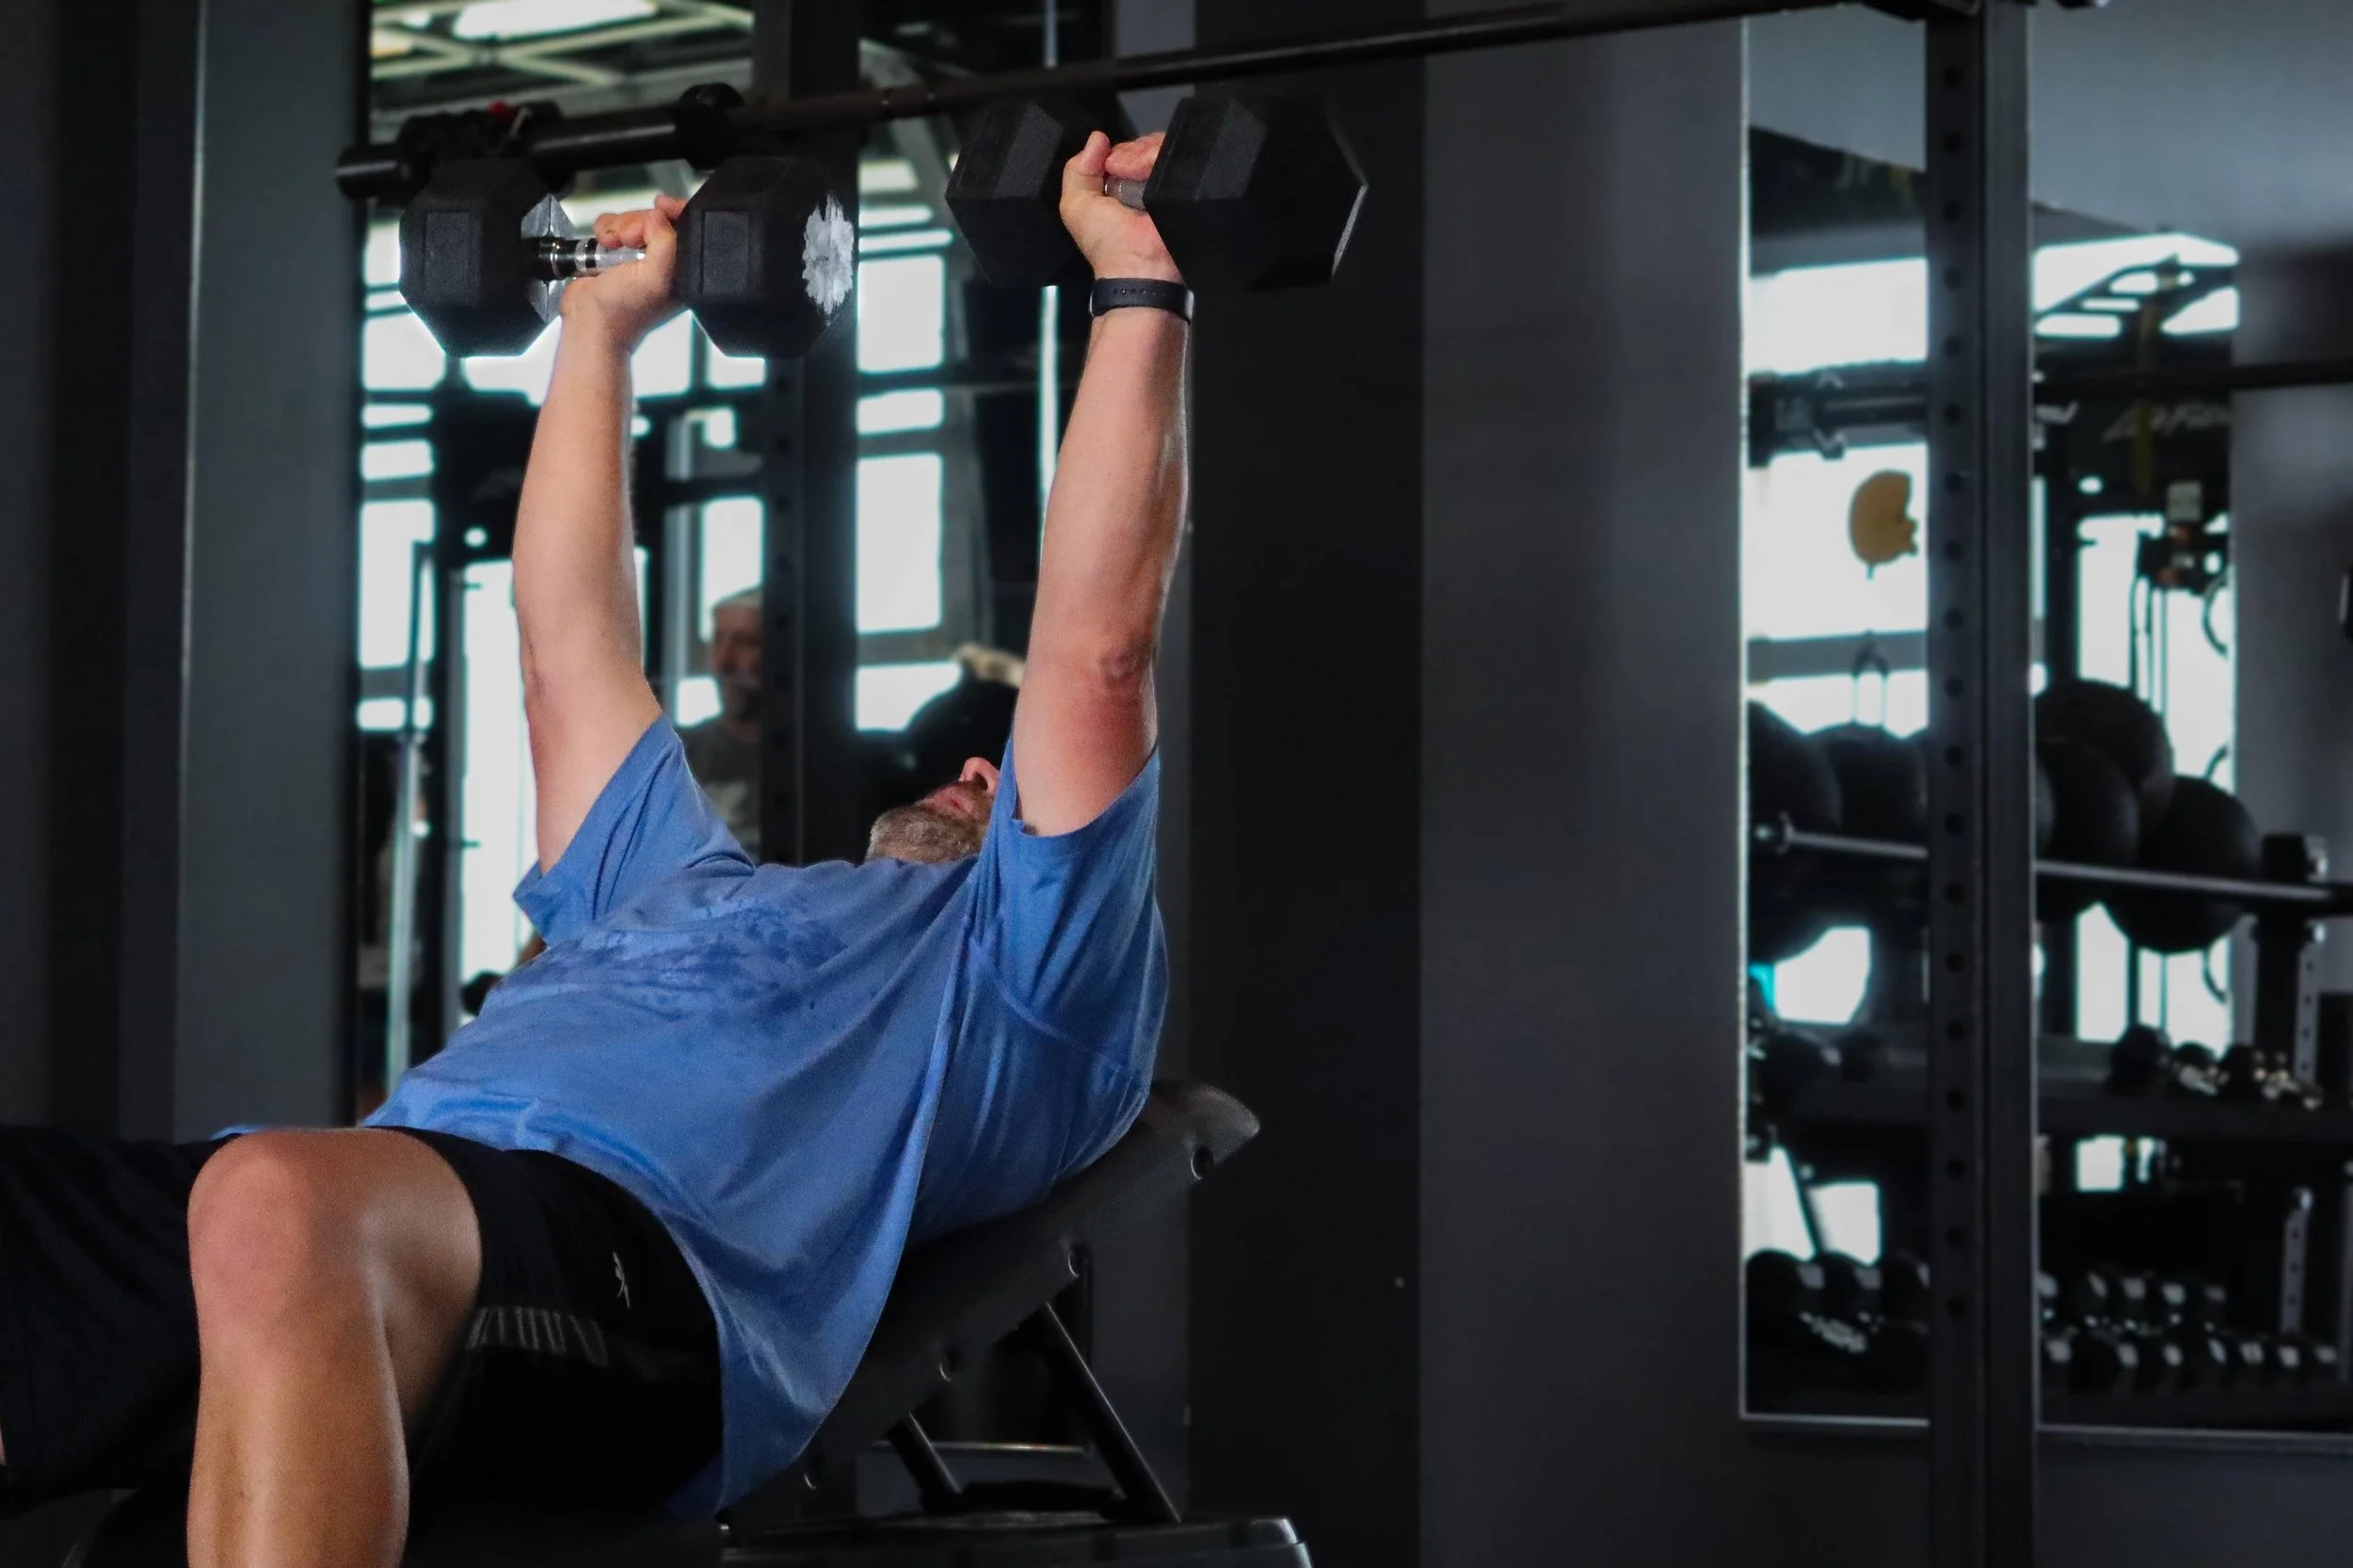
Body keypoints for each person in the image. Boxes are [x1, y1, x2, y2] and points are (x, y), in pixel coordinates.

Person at [0, 129, 1186, 1567]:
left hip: (652, 1282)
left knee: (274, 1203)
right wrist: (600, 332)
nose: (979, 766)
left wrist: (1137, 283)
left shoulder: (1030, 980)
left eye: (1000, 778)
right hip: (396, 1217)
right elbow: (565, 648)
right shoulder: (680, 887)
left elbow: (1095, 655)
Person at [679, 585, 763, 858]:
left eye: (745, 643)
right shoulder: (680, 755)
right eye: (718, 640)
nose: (724, 661)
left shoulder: (817, 767)